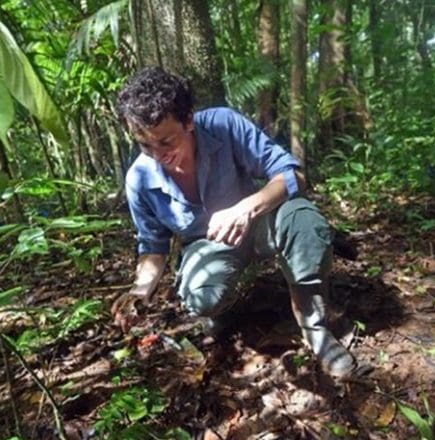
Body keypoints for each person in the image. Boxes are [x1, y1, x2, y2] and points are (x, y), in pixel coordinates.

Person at [114, 66, 357, 379]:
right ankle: (226, 307)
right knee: (201, 297)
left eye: (166, 142)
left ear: (188, 120)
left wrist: (246, 208)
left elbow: (292, 176)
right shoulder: (139, 179)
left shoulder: (223, 125)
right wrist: (139, 290)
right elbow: (153, 245)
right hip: (208, 246)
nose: (158, 154)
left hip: (259, 220)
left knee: (304, 223)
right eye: (145, 145)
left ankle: (315, 327)